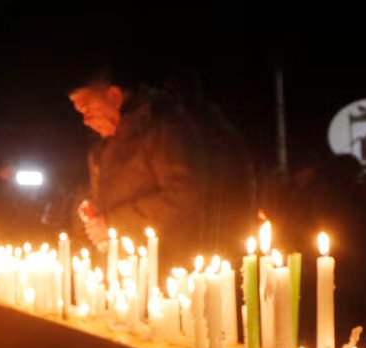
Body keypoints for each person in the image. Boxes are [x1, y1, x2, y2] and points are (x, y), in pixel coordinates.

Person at [68, 74, 249, 266]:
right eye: (81, 113)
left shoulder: (162, 128)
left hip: (169, 263)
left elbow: (184, 193)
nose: (85, 120)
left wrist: (114, 223)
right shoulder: (104, 144)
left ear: (113, 95)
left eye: (87, 107)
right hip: (127, 265)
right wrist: (91, 208)